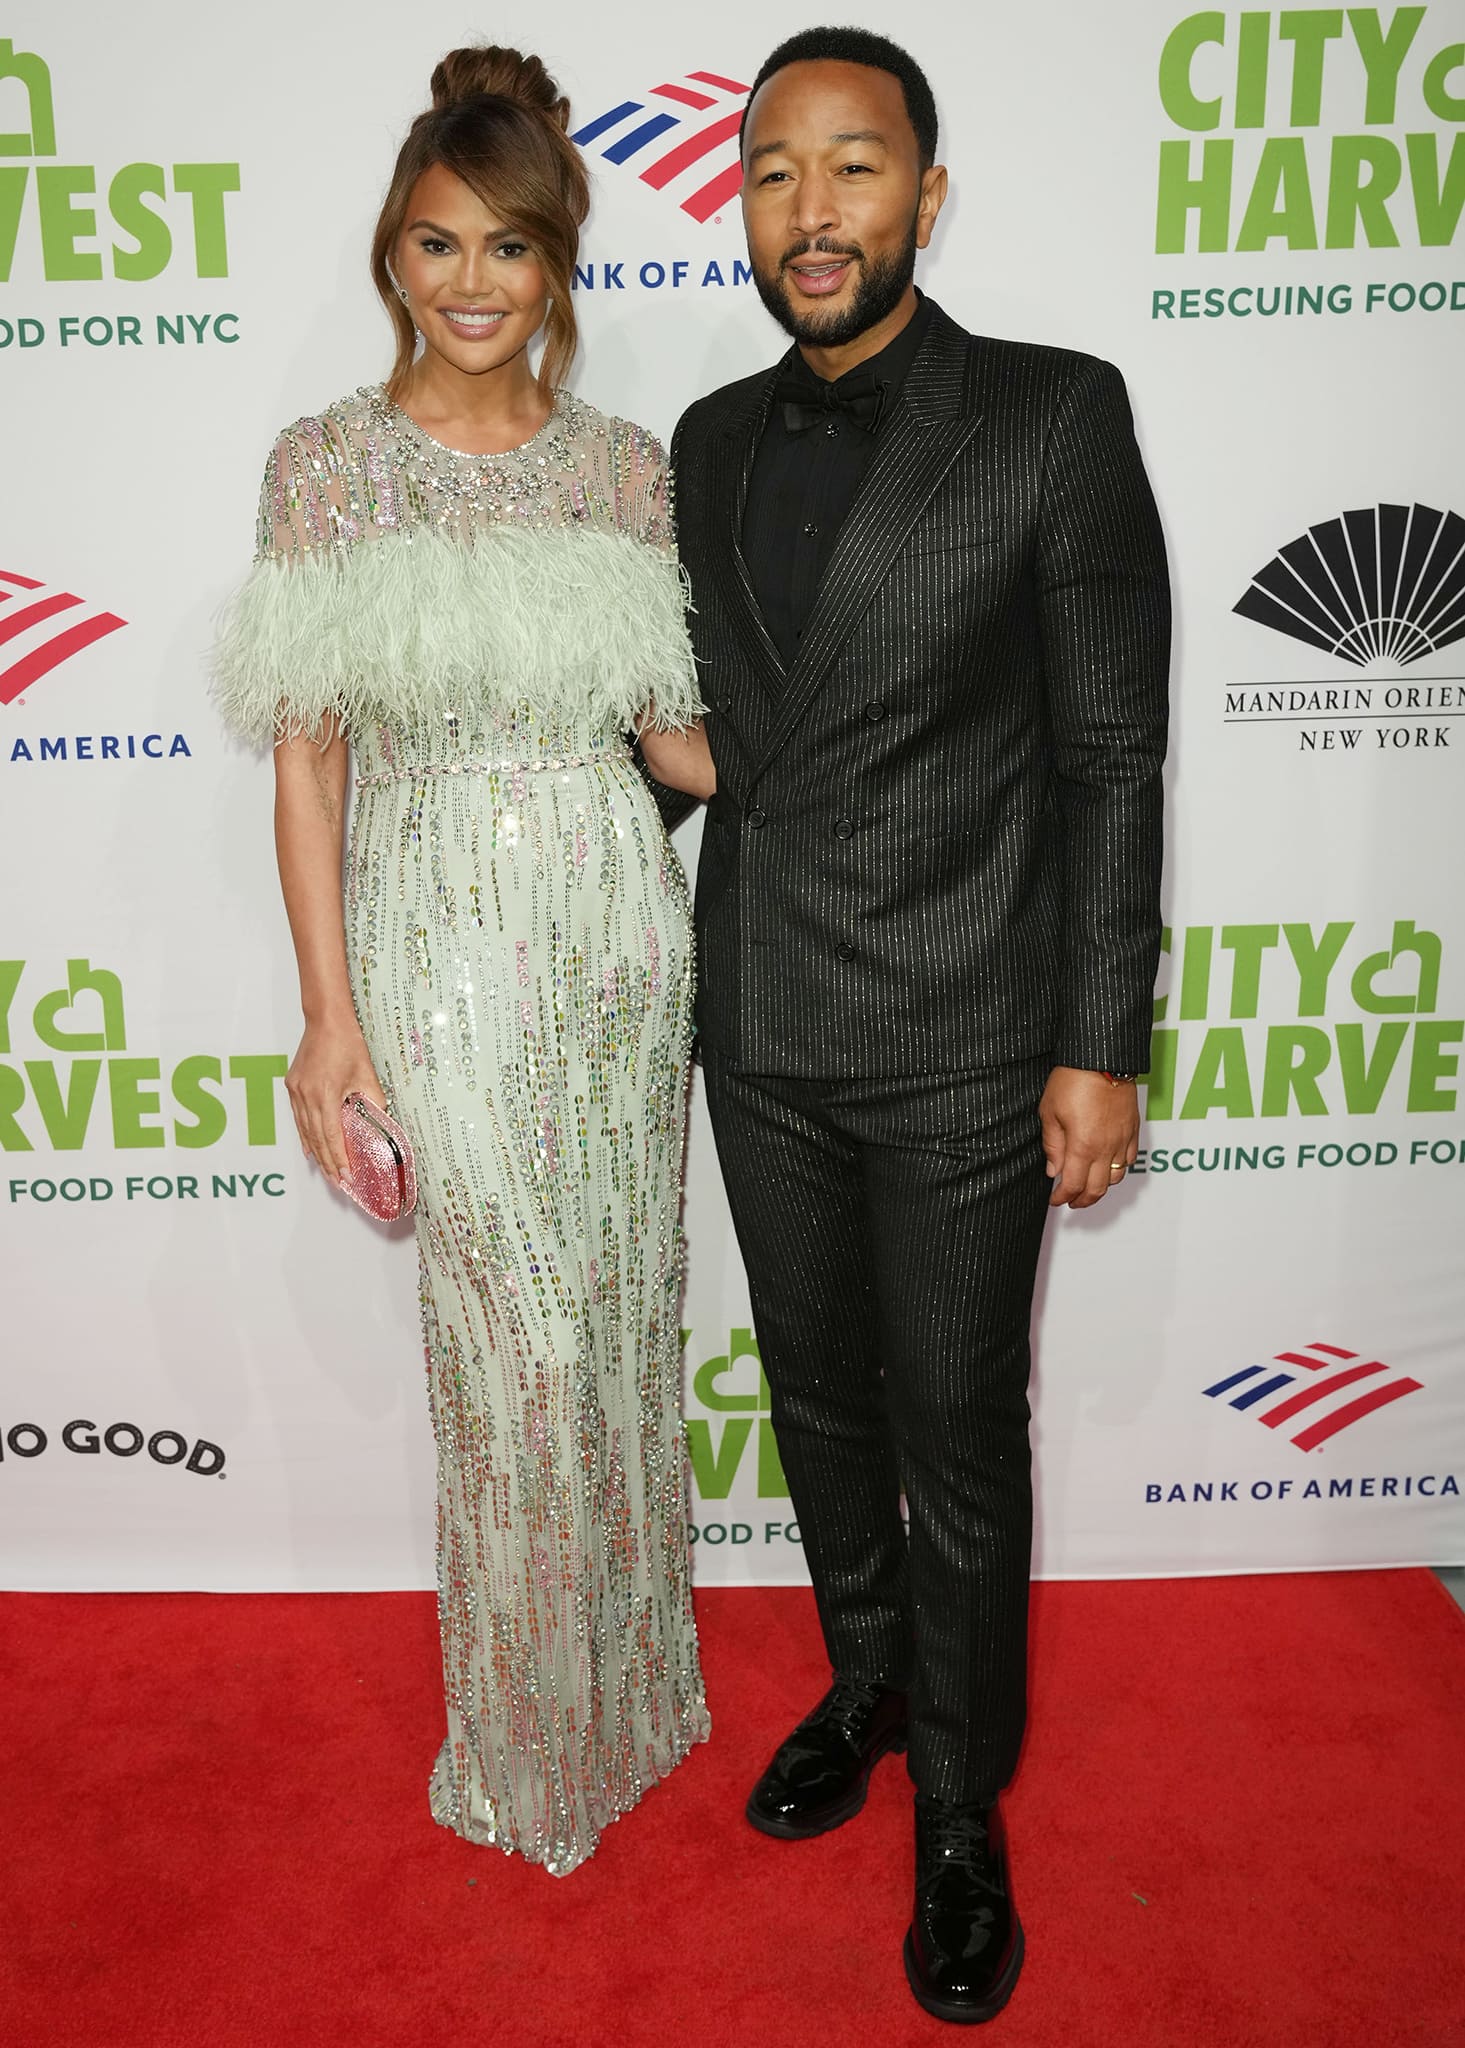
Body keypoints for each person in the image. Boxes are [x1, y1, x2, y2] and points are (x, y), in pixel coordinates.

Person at [639, 25, 1170, 2024]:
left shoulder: (1049, 416)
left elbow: (1113, 749)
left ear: (925, 200)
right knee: (820, 1401)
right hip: (764, 1010)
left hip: (966, 1024)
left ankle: (959, 1805)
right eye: (772, 171)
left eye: (851, 169)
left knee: (955, 1432)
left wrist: (1095, 1039)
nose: (810, 211)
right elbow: (713, 745)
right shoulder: (701, 440)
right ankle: (866, 1685)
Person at [215, 45, 710, 1877]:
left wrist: (877, 727)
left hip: (612, 943)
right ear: (390, 258)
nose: (473, 284)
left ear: (561, 262)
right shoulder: (326, 467)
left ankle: (629, 1689)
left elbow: (674, 747)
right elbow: (310, 756)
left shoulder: (623, 469)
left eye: (509, 248)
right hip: (433, 935)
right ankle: (522, 1742)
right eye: (438, 246)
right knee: (511, 1346)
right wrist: (328, 1016)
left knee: (614, 1326)